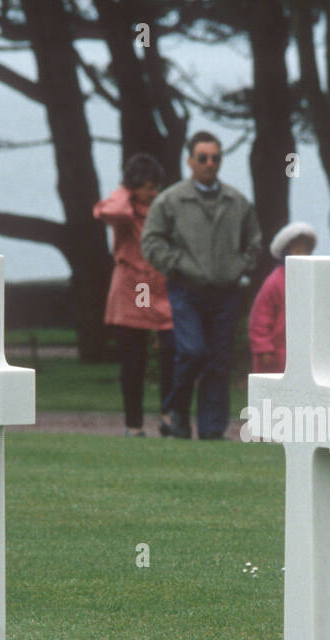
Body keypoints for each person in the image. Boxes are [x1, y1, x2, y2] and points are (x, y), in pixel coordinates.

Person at [141, 131, 263, 440]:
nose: (210, 164)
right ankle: (176, 409)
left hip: (225, 292)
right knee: (193, 351)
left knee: (219, 362)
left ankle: (211, 430)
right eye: (203, 158)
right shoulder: (171, 200)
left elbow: (255, 242)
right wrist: (178, 265)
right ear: (190, 161)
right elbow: (151, 241)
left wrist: (239, 267)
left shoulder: (236, 201)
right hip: (186, 289)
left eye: (216, 158)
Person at [93, 154, 174, 437]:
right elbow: (107, 212)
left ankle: (169, 416)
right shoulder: (124, 210)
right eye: (148, 187)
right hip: (132, 287)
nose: (154, 193)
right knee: (133, 360)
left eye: (156, 187)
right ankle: (134, 424)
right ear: (134, 186)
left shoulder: (163, 210)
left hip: (161, 286)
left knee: (171, 352)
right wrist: (124, 191)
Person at [248, 222, 317, 374]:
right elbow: (260, 316)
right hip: (274, 354)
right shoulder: (274, 282)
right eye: (297, 251)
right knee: (269, 396)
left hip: (302, 354)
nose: (302, 256)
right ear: (286, 252)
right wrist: (263, 348)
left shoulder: (312, 279)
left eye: (305, 251)